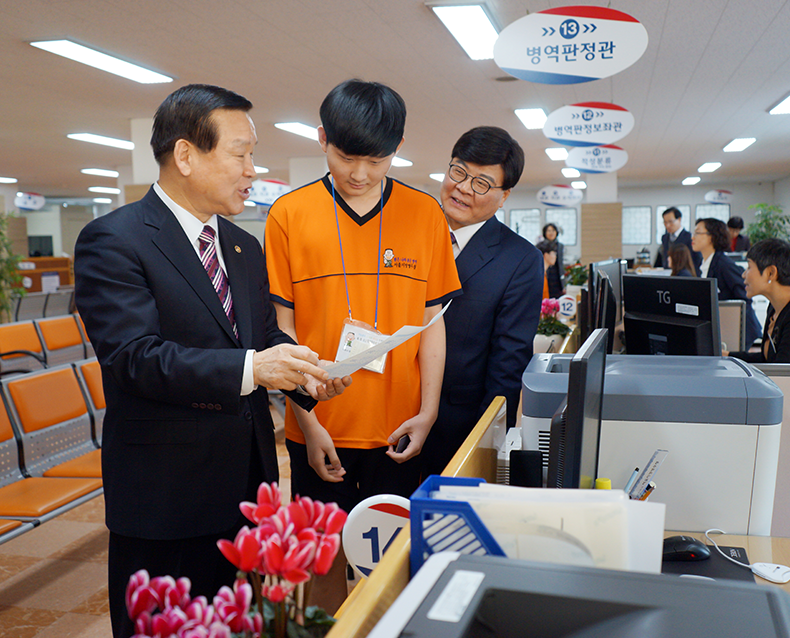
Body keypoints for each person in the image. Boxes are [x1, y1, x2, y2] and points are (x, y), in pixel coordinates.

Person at [74, 84, 350, 638]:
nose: (253, 169)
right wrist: (256, 369)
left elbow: (262, 335)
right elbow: (134, 358)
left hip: (246, 489)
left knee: (240, 623)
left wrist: (305, 375)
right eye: (241, 153)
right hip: (167, 495)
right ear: (185, 156)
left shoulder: (242, 246)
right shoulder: (115, 240)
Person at [265, 79, 461, 611]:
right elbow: (279, 331)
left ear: (397, 149)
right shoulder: (288, 214)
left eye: (376, 161)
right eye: (346, 156)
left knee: (394, 570)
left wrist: (427, 413)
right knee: (321, 565)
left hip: (399, 429)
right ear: (322, 138)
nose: (359, 174)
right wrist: (308, 419)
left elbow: (433, 325)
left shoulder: (425, 215)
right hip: (318, 428)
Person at [420, 126, 542, 477]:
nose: (462, 188)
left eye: (482, 183)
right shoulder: (409, 235)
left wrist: (483, 448)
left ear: (504, 196)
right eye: (458, 172)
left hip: (454, 429)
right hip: (385, 415)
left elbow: (508, 365)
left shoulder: (520, 259)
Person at [692, 217, 762, 346]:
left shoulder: (723, 264)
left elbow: (744, 297)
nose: (693, 237)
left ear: (712, 236)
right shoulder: (704, 263)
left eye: (697, 232)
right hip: (724, 330)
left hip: (738, 333)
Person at [727, 239, 790, 363]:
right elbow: (767, 359)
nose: (744, 275)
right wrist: (727, 355)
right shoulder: (774, 307)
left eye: (749, 267)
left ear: (770, 273)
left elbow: (783, 372)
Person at [655, 206, 701, 272]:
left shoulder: (689, 237)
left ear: (679, 219)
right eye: (665, 222)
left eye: (670, 222)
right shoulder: (664, 238)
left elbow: (696, 260)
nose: (667, 225)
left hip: (684, 275)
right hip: (667, 274)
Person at [542, 222, 564, 298]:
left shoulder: (560, 246)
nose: (551, 233)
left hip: (557, 278)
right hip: (546, 276)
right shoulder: (540, 245)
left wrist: (563, 283)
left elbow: (560, 264)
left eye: (553, 230)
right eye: (549, 230)